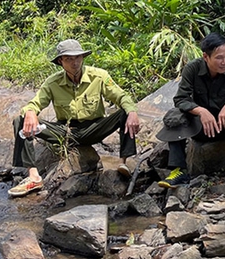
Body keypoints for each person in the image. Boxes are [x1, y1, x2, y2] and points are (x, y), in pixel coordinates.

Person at [9, 39, 141, 197]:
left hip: (94, 128)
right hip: (66, 131)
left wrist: (132, 112)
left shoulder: (98, 76)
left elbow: (121, 96)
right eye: (69, 59)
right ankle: (34, 177)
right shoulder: (52, 82)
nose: (75, 62)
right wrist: (30, 112)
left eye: (78, 57)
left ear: (83, 57)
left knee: (126, 112)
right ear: (60, 61)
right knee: (20, 120)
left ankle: (123, 163)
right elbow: (36, 103)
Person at [157, 33, 225, 187]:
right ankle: (179, 170)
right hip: (201, 128)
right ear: (206, 57)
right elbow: (180, 99)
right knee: (175, 115)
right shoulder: (192, 69)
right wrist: (201, 111)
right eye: (219, 58)